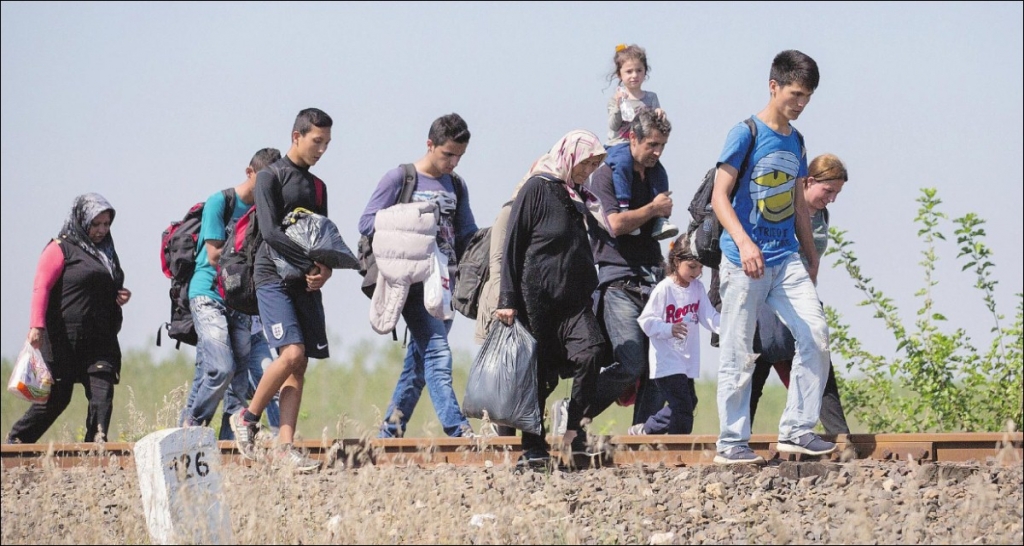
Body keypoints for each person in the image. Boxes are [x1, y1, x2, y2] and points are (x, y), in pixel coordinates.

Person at [711, 50, 836, 465]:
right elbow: (719, 197)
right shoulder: (745, 133)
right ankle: (731, 443)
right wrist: (745, 243)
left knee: (816, 337)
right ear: (774, 86)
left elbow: (799, 203)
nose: (800, 103)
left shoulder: (797, 141)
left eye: (808, 96)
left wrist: (810, 251)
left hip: (786, 260)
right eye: (796, 94)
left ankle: (798, 430)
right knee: (737, 351)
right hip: (745, 261)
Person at [359, 113, 478, 439]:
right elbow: (367, 222)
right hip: (411, 283)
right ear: (430, 144)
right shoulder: (400, 178)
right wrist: (412, 222)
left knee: (417, 367)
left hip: (445, 283)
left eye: (459, 156)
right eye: (447, 154)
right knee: (438, 352)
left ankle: (389, 432)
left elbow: (466, 232)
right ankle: (458, 430)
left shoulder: (456, 184)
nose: (453, 162)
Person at [495, 129, 610, 466]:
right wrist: (507, 299)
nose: (587, 171)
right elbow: (512, 246)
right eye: (585, 163)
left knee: (592, 351)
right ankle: (533, 448)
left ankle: (575, 430)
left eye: (593, 165)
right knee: (538, 375)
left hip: (574, 302)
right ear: (569, 156)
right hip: (538, 301)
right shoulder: (537, 188)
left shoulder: (578, 196)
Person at [230, 108, 335, 472]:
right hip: (271, 275)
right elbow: (272, 233)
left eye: (327, 143)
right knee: (290, 353)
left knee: (300, 363)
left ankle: (284, 446)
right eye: (316, 141)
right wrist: (309, 264)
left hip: (303, 282)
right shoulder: (270, 177)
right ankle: (247, 419)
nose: (321, 149)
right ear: (296, 136)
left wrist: (325, 270)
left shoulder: (318, 186)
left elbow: (322, 237)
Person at [6, 193, 131, 444]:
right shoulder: (60, 247)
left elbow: (106, 284)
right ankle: (16, 442)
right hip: (65, 337)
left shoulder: (106, 251)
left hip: (100, 339)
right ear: (81, 220)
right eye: (96, 224)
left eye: (106, 224)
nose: (101, 230)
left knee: (102, 394)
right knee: (56, 398)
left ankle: (94, 450)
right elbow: (41, 286)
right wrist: (36, 326)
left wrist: (119, 295)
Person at [181, 148, 282, 440]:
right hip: (209, 293)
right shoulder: (220, 202)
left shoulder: (265, 210)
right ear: (249, 173)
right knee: (220, 369)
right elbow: (213, 255)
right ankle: (193, 427)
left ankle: (226, 445)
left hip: (240, 302)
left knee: (237, 383)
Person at [584, 108, 674, 428]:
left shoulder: (654, 174)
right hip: (618, 280)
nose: (657, 152)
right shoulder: (607, 174)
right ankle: (574, 413)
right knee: (631, 359)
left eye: (662, 145)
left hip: (651, 277)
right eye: (652, 144)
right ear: (632, 138)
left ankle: (642, 435)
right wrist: (653, 209)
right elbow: (615, 224)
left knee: (657, 363)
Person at [749, 153, 850, 436]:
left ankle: (840, 439)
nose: (831, 198)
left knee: (818, 363)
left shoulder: (822, 215)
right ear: (808, 181)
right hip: (771, 298)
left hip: (802, 298)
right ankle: (737, 441)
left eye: (837, 193)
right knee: (757, 366)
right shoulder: (783, 210)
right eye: (828, 191)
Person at [633, 237, 720, 435]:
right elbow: (646, 321)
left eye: (700, 268)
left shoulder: (697, 288)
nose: (697, 273)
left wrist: (730, 329)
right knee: (682, 405)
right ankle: (678, 447)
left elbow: (709, 316)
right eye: (692, 267)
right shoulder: (664, 288)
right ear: (676, 261)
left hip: (686, 362)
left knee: (689, 402)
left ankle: (648, 429)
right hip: (667, 361)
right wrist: (668, 329)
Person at [604, 43, 676, 240]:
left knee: (659, 171)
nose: (634, 75)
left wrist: (660, 112)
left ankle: (662, 218)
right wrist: (618, 107)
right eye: (629, 71)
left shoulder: (651, 97)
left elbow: (656, 123)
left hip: (641, 146)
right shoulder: (617, 98)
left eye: (638, 70)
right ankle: (624, 208)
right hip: (619, 145)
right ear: (620, 75)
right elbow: (613, 125)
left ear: (645, 72)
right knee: (623, 165)